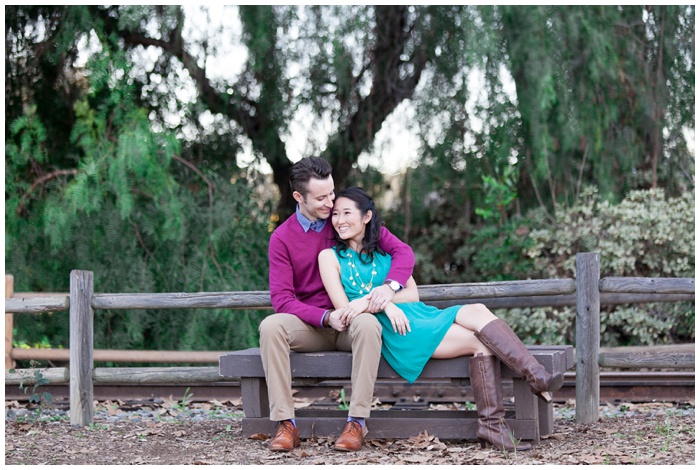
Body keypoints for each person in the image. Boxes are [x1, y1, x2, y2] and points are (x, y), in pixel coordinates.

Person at [318, 187, 565, 452]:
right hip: (397, 329)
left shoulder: (386, 254)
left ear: (366, 217)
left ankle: (520, 394)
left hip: (417, 314)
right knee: (479, 342)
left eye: (347, 213)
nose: (339, 220)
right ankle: (524, 391)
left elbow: (412, 294)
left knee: (478, 311)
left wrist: (384, 298)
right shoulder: (329, 257)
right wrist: (384, 307)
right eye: (335, 214)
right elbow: (345, 310)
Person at [259, 157, 418, 453]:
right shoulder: (282, 238)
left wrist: (388, 288)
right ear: (298, 197)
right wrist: (325, 317)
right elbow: (282, 300)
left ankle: (356, 422)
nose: (331, 202)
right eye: (321, 197)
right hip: (313, 325)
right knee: (270, 326)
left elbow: (403, 252)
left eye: (332, 192)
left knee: (369, 324)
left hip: (353, 321)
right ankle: (286, 424)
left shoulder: (344, 220)